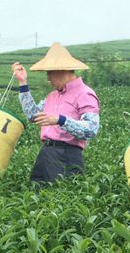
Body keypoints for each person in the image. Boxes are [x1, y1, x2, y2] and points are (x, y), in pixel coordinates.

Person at [11, 43, 100, 184]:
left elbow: (91, 129)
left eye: (49, 73)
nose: (48, 79)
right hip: (46, 153)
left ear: (61, 70)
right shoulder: (52, 96)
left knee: (60, 198)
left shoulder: (85, 94)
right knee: (38, 198)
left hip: (67, 156)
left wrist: (61, 120)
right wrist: (23, 83)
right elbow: (33, 116)